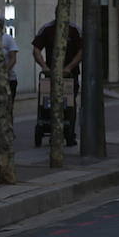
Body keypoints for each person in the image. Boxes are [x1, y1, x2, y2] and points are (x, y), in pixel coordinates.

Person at [32, 19, 82, 147]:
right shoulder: (47, 28)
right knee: (47, 101)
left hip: (69, 75)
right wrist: (44, 66)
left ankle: (69, 131)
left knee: (69, 104)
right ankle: (50, 125)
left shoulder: (74, 29)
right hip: (51, 75)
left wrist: (69, 68)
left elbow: (81, 51)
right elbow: (36, 49)